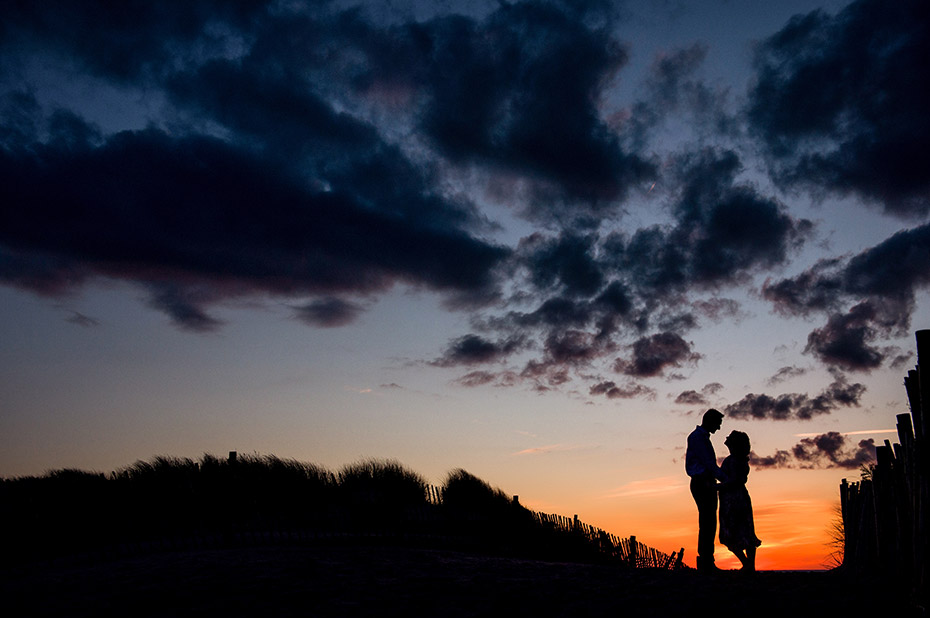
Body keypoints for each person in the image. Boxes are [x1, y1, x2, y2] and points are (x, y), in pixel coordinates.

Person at [685, 408, 726, 572]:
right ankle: (706, 561)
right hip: (703, 482)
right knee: (708, 522)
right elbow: (709, 464)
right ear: (710, 421)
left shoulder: (699, 437)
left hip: (704, 481)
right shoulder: (699, 438)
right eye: (718, 424)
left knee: (708, 522)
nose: (719, 428)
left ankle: (707, 560)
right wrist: (727, 479)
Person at [718, 430, 762, 571]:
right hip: (739, 498)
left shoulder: (735, 461)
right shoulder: (738, 460)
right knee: (745, 532)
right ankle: (750, 565)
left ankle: (747, 564)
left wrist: (716, 487)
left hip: (732, 500)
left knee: (732, 533)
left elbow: (735, 480)